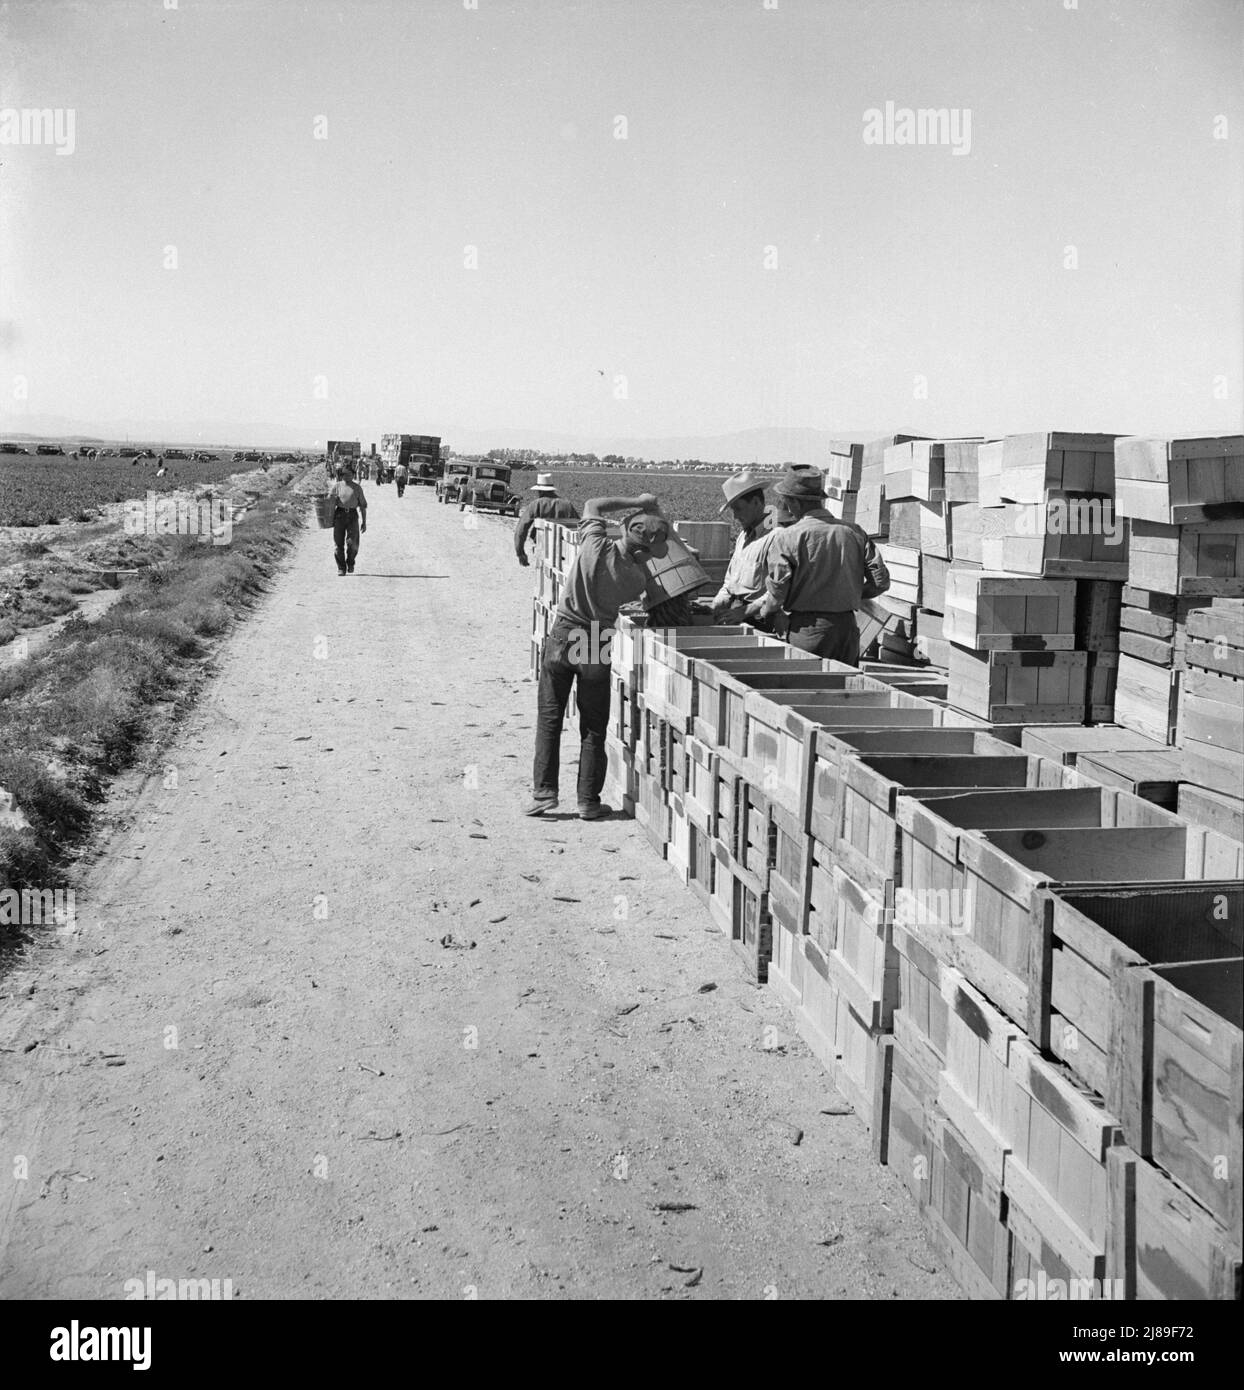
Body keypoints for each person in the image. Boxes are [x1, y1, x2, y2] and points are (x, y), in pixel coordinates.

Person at [528, 494, 669, 821]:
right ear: (643, 552)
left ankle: (544, 792)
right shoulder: (636, 580)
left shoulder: (594, 546)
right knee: (593, 726)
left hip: (564, 633)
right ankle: (588, 801)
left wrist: (639, 500)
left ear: (624, 532)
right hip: (594, 640)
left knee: (550, 717)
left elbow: (592, 504)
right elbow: (650, 585)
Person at [746, 469, 889, 664]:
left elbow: (778, 591)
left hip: (807, 631)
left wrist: (768, 612)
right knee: (846, 692)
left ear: (795, 502)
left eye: (787, 501)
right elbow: (880, 582)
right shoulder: (855, 532)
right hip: (846, 632)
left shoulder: (788, 537)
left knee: (807, 689)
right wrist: (848, 593)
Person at [709, 468, 778, 627]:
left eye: (738, 508)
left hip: (758, 619)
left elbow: (777, 591)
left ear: (756, 502)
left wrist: (745, 611)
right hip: (734, 612)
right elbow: (729, 582)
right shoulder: (743, 536)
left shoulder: (775, 538)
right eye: (733, 510)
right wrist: (716, 605)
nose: (735, 516)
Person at [514, 473, 579, 566]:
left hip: (542, 547)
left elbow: (521, 529)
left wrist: (520, 553)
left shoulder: (536, 504)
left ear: (540, 491)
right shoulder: (567, 505)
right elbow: (579, 526)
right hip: (563, 550)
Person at [327, 461, 367, 576]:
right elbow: (329, 503)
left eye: (349, 474)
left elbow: (363, 507)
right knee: (338, 544)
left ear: (353, 475)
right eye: (345, 474)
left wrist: (364, 522)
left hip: (353, 516)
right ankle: (341, 568)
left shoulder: (357, 488)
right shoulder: (337, 486)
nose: (347, 476)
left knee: (352, 544)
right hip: (339, 515)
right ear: (342, 475)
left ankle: (350, 563)